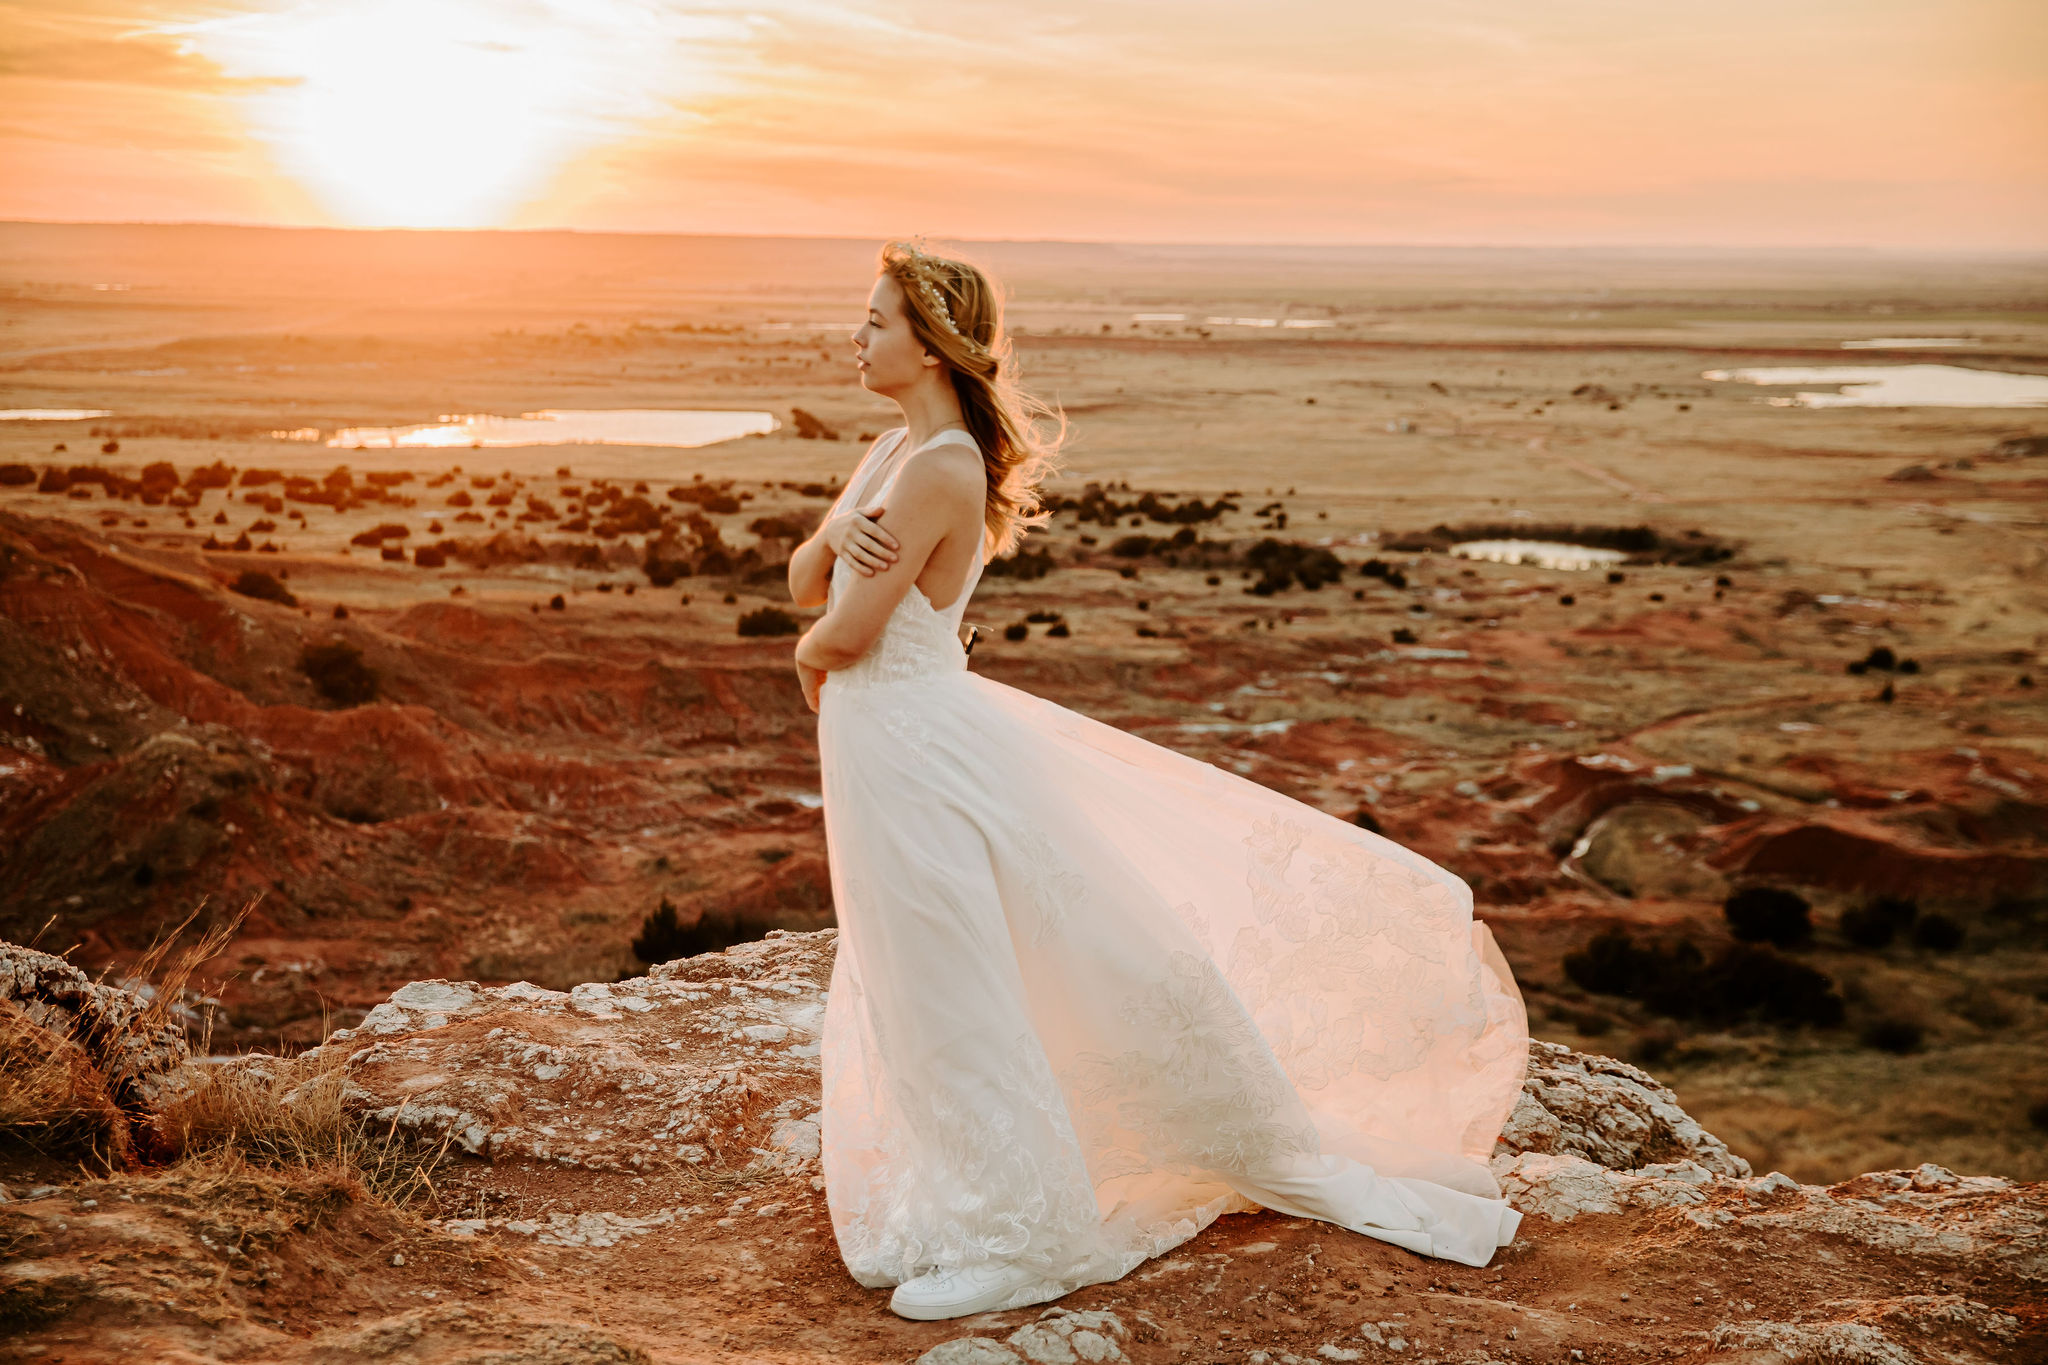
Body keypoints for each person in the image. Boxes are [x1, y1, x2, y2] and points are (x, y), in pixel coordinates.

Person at [784, 239, 1529, 1322]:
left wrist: (806, 659)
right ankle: (974, 1195)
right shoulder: (889, 451)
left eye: (874, 321)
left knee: (951, 977)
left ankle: (1028, 1236)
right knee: (922, 967)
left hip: (905, 740)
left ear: (933, 343)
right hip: (884, 738)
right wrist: (825, 546)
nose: (854, 337)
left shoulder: (939, 466)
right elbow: (805, 573)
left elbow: (841, 632)